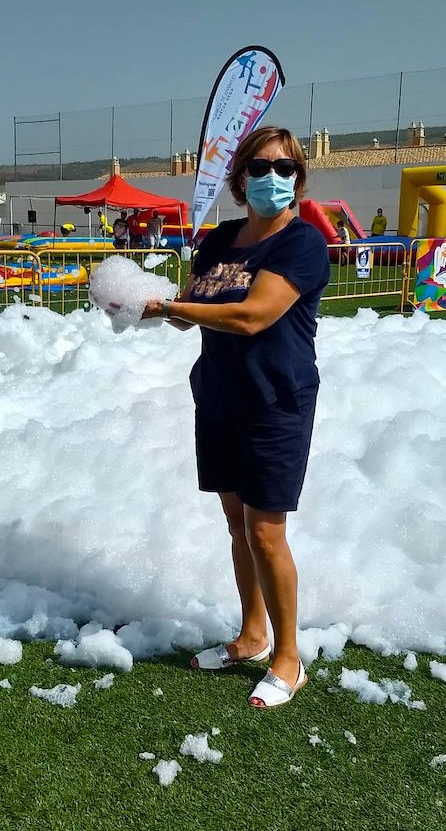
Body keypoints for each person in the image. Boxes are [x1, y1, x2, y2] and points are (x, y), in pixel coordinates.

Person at [140, 126, 329, 709]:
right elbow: (189, 314)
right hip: (219, 394)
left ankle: (289, 658)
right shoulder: (220, 239)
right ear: (240, 176)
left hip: (276, 400)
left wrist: (171, 304)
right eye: (262, 167)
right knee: (235, 522)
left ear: (298, 179)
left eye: (287, 168)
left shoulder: (302, 244)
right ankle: (252, 635)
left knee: (267, 532)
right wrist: (142, 298)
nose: (275, 178)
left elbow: (251, 316)